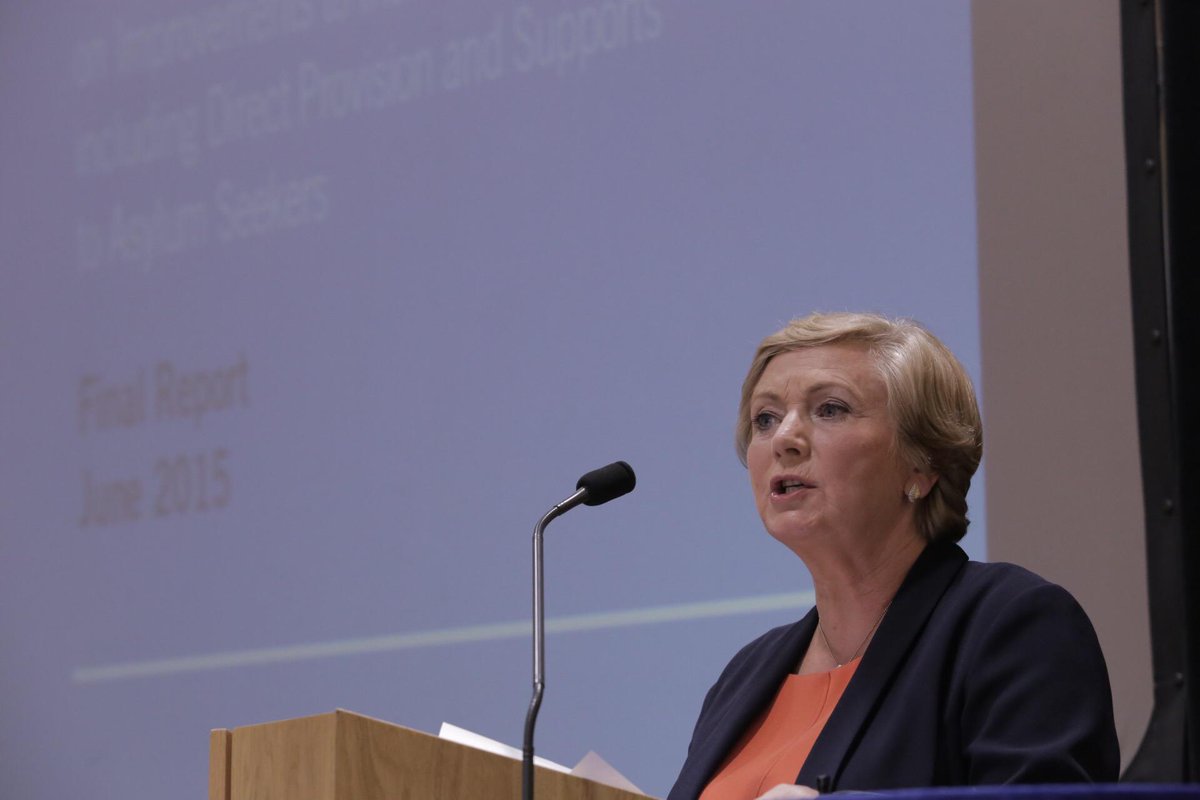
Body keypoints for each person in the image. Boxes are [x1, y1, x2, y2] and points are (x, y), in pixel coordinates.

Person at [667, 312, 1119, 800]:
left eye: (830, 409)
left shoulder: (1010, 627)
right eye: (765, 419)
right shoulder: (744, 676)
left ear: (924, 464)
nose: (784, 439)